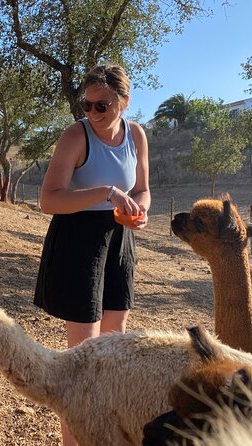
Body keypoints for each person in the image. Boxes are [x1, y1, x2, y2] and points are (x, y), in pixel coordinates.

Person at [33, 63, 150, 446]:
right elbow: (48, 200)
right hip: (78, 244)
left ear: (124, 101)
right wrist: (104, 192)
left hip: (119, 242)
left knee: (115, 353)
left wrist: (140, 211)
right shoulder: (75, 136)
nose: (93, 113)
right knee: (84, 362)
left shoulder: (136, 135)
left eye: (102, 105)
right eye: (87, 104)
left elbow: (143, 189)